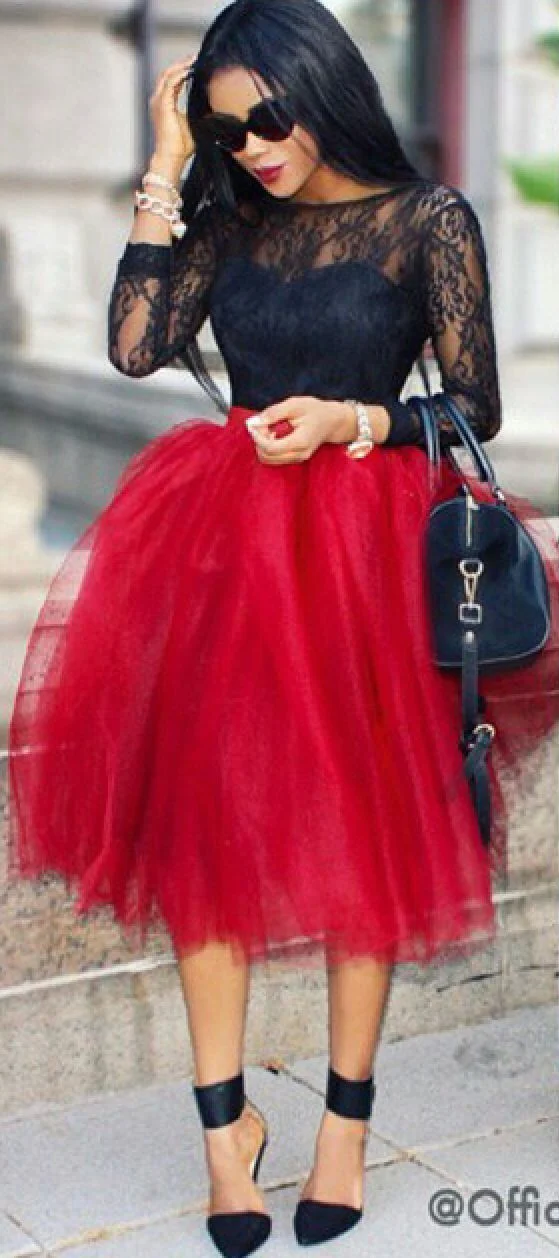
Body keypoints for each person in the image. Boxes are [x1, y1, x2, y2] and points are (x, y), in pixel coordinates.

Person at [7, 1, 559, 1255]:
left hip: (366, 557)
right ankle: (224, 1137)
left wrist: (353, 423)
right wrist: (160, 174)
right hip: (225, 548)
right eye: (227, 128)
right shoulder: (226, 218)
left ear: (325, 82)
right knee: (210, 827)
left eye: (268, 116)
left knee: (367, 839)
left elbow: (472, 401)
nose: (253, 145)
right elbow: (137, 346)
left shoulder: (428, 220)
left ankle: (346, 1131)